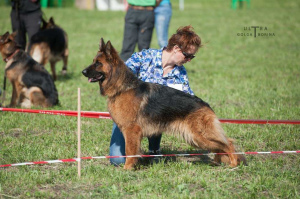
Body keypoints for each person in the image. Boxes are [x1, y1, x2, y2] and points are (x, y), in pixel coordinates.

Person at [110, 25, 202, 166]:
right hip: (129, 117)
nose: (189, 60)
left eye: (192, 57)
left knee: (159, 108)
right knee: (117, 161)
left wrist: (202, 116)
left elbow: (188, 101)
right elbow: (121, 78)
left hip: (155, 120)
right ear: (176, 49)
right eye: (187, 55)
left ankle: (153, 149)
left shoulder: (180, 74)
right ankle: (135, 151)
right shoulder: (144, 57)